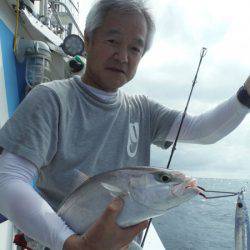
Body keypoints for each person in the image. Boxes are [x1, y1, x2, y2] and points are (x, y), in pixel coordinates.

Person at [0, 0, 250, 249]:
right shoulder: (52, 98)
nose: (122, 56)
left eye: (135, 48)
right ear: (88, 39)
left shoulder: (143, 109)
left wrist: (246, 95)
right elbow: (9, 179)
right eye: (112, 41)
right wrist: (72, 244)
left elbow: (203, 131)